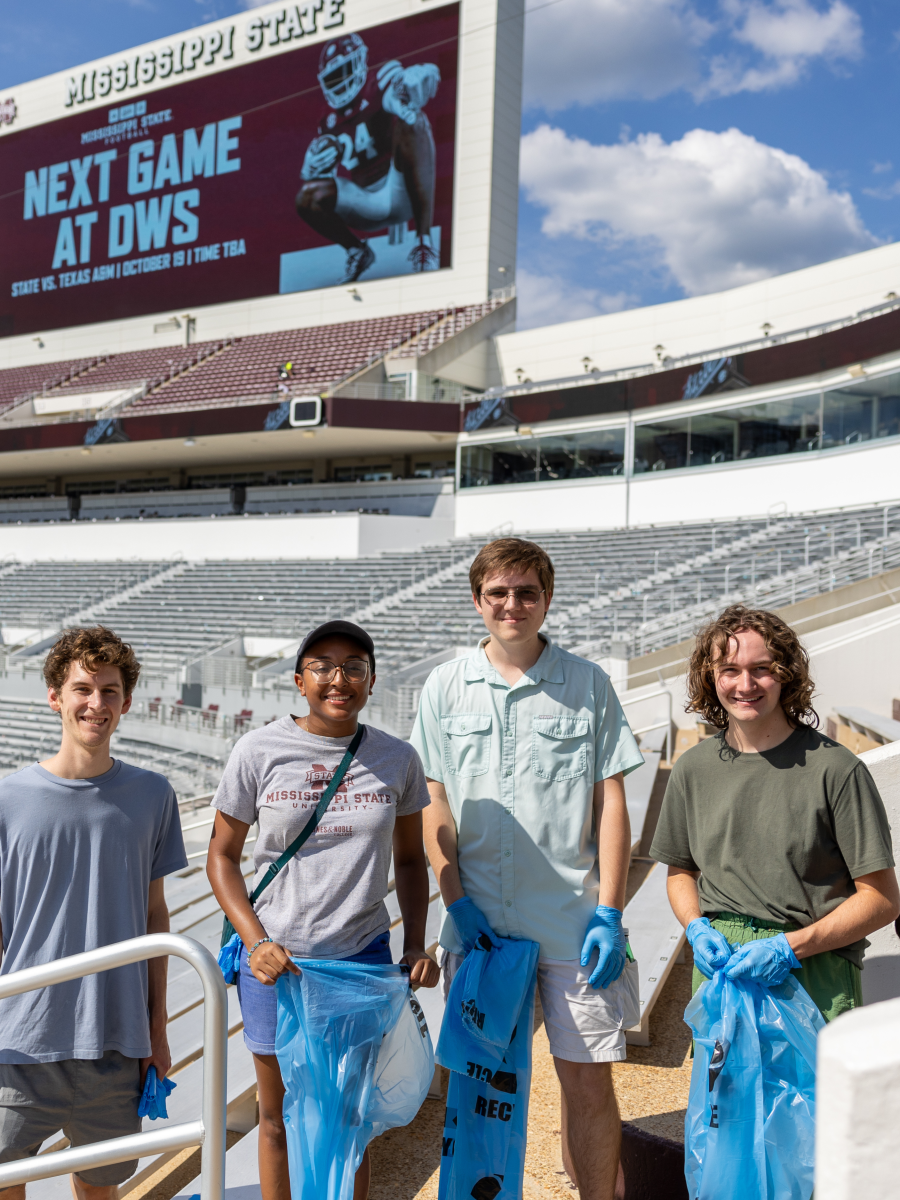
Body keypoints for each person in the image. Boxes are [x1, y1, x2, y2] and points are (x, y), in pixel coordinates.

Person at [409, 538, 646, 1200]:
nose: (512, 606)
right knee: (478, 1090)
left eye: (527, 593)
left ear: (547, 599)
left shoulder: (587, 684)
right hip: (481, 928)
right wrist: (453, 900)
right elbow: (435, 802)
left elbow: (611, 805)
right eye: (498, 593)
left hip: (572, 923)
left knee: (588, 1083)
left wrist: (610, 910)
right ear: (477, 599)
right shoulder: (445, 687)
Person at [206, 619, 439, 1200]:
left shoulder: (396, 758)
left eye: (354, 667)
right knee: (276, 1113)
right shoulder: (258, 750)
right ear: (299, 680)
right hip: (274, 965)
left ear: (372, 679)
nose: (340, 679)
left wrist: (416, 941)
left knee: (349, 1117)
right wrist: (256, 942)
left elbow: (411, 862)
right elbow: (222, 856)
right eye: (324, 667)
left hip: (359, 962)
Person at [0, 626, 187, 1200]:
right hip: (19, 1041)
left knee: (99, 1189)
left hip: (116, 1039)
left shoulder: (153, 795)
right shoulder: (7, 800)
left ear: (126, 703)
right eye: (83, 688)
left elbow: (157, 920)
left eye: (110, 691)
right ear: (55, 696)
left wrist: (157, 1031)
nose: (96, 704)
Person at [650, 604, 900, 1022]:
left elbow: (882, 900)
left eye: (761, 668)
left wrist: (790, 947)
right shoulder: (692, 769)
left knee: (816, 1091)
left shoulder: (836, 769)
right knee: (722, 1089)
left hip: (814, 973)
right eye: (729, 669)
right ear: (710, 678)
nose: (745, 684)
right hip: (722, 973)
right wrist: (695, 926)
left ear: (786, 673)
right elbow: (680, 873)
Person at [296, 32, 440, 283]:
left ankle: (424, 243)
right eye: (333, 77)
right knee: (307, 195)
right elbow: (325, 184)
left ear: (360, 63)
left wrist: (421, 73)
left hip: (401, 187)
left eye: (344, 72)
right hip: (364, 202)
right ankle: (357, 251)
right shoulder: (327, 120)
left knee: (415, 122)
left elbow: (415, 80)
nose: (340, 82)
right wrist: (310, 171)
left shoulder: (381, 82)